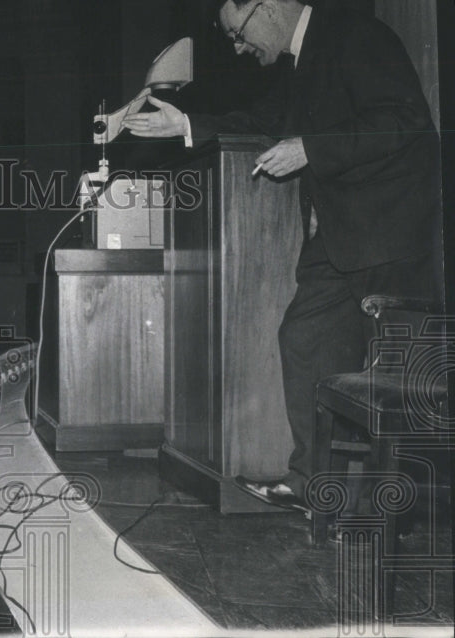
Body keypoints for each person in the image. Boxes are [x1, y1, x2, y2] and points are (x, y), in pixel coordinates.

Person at [122, 0, 441, 513]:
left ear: (267, 7)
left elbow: (405, 119)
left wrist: (312, 147)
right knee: (304, 340)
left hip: (386, 230)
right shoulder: (301, 61)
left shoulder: (356, 36)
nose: (238, 47)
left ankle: (398, 515)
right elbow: (261, 119)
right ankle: (314, 486)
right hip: (340, 236)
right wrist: (186, 125)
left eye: (237, 32)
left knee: (397, 379)